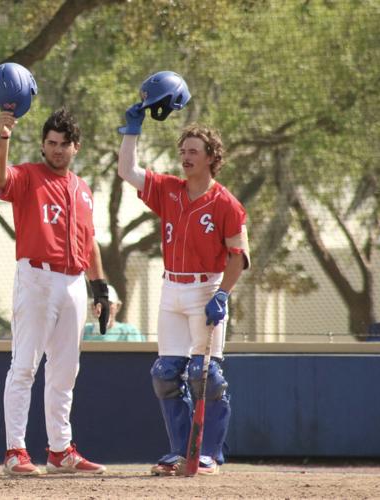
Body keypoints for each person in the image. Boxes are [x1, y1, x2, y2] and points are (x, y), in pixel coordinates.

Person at [116, 72, 249, 476]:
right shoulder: (170, 189)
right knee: (165, 374)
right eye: (183, 150)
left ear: (211, 157)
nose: (186, 156)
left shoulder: (226, 203)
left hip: (206, 290)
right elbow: (127, 170)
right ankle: (181, 452)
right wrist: (131, 129)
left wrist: (222, 295)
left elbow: (239, 256)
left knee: (204, 374)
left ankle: (209, 454)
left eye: (194, 150)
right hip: (171, 289)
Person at [0, 107, 109, 476]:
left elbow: (89, 242)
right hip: (37, 277)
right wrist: (4, 137)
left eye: (63, 144)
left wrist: (100, 287)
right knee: (25, 366)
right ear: (43, 145)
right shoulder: (28, 175)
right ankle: (15, 451)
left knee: (65, 370)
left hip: (74, 281)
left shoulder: (83, 188)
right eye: (51, 143)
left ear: (77, 147)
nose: (56, 150)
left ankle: (59, 450)